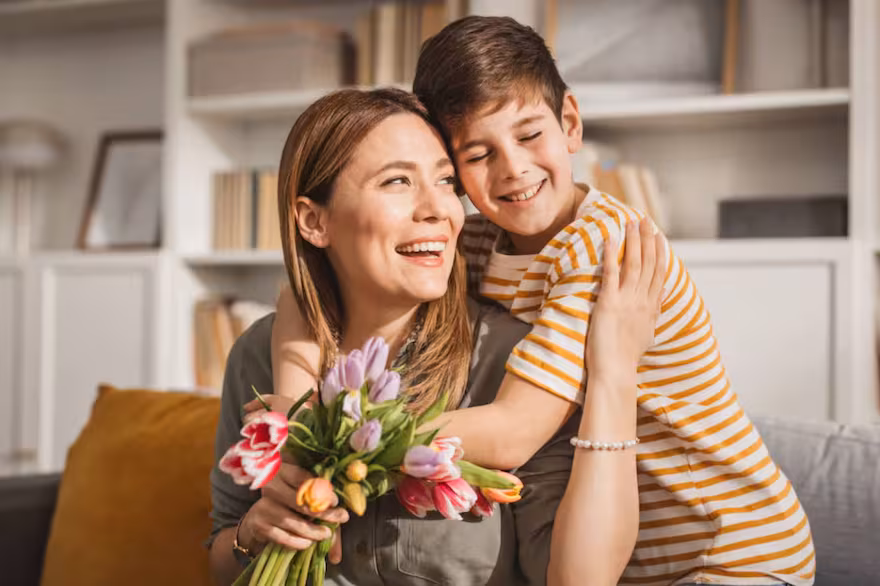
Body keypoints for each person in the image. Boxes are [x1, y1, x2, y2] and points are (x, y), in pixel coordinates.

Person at [272, 16, 816, 586]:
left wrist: (340, 441)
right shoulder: (478, 240)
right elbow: (304, 293)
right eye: (478, 154)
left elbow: (514, 433)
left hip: (731, 550)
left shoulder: (600, 247)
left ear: (570, 124)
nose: (513, 169)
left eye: (529, 136)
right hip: (630, 556)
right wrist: (293, 415)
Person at [209, 87, 666, 586]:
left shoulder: (513, 363)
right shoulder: (260, 354)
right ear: (314, 221)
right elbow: (220, 554)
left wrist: (614, 372)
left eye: (446, 181)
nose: (438, 210)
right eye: (397, 181)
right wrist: (251, 535)